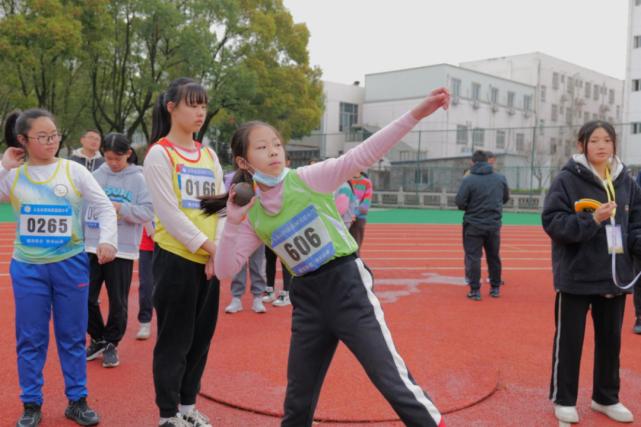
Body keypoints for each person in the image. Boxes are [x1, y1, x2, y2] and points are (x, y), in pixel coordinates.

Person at [201, 87, 450, 427]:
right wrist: (231, 221)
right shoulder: (253, 214)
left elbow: (361, 156)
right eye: (262, 147)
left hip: (347, 287)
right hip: (307, 301)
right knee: (298, 400)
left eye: (276, 144)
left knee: (391, 380)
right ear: (243, 163)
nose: (274, 152)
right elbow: (227, 270)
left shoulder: (307, 179)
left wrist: (417, 113)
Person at [2, 109, 117, 426]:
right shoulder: (13, 175)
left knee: (71, 336)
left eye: (54, 134)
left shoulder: (73, 171)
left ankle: (76, 401)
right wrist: (2, 167)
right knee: (31, 338)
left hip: (70, 265)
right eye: (43, 136)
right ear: (23, 140)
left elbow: (104, 207)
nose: (51, 141)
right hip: (28, 269)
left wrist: (108, 240)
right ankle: (31, 405)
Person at [543, 120, 638, 424]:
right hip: (576, 275)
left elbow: (635, 224)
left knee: (611, 341)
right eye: (594, 140)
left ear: (614, 145)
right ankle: (564, 399)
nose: (601, 146)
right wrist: (592, 220)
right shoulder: (567, 180)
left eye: (607, 141)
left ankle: (605, 398)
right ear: (581, 144)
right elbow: (554, 223)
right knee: (569, 341)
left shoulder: (627, 181)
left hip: (615, 276)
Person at [143, 77, 225, 427]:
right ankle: (167, 415)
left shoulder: (208, 155)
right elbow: (170, 213)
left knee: (201, 339)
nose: (200, 112)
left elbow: (220, 208)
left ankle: (189, 406)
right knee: (174, 341)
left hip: (209, 260)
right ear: (171, 108)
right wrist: (208, 248)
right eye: (192, 104)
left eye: (203, 105)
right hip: (176, 259)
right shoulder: (160, 154)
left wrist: (215, 251)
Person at [85, 133, 154, 368]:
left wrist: (119, 207)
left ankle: (112, 343)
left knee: (118, 301)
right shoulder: (94, 176)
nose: (113, 163)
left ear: (128, 154)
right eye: (108, 158)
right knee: (86, 297)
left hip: (122, 249)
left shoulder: (139, 178)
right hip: (92, 246)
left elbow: (147, 212)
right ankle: (98, 338)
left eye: (117, 158)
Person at [455, 150, 509, 301]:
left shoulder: (468, 179)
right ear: (488, 162)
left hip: (473, 224)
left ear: (473, 163)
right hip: (493, 224)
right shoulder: (500, 177)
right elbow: (505, 198)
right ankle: (495, 288)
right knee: (493, 256)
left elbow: (460, 202)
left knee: (473, 257)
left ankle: (475, 290)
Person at [223, 170, 267, 314]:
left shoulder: (261, 179)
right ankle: (236, 298)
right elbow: (226, 201)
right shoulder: (231, 178)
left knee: (257, 264)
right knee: (238, 265)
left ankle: (257, 298)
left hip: (256, 228)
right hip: (239, 227)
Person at [263, 153, 293, 307]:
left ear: (287, 162)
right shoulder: (267, 178)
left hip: (286, 226)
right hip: (271, 227)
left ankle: (286, 293)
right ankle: (270, 290)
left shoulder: (291, 179)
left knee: (285, 261)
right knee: (270, 259)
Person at [137, 220, 155, 340]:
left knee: (169, 285)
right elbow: (146, 213)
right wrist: (152, 233)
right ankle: (145, 322)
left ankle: (169, 323)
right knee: (146, 284)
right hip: (147, 245)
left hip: (171, 244)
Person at [349, 171, 372, 256]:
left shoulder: (366, 182)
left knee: (356, 245)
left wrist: (354, 214)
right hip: (345, 217)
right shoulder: (346, 180)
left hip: (359, 218)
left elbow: (366, 202)